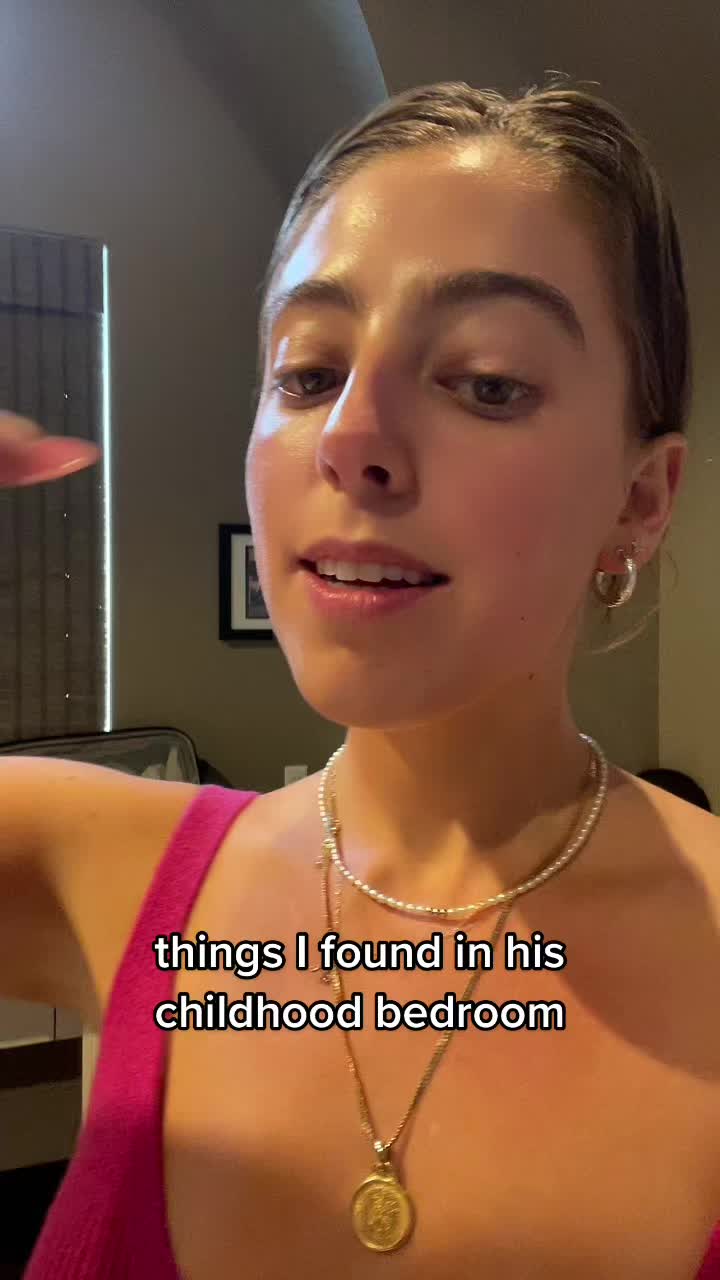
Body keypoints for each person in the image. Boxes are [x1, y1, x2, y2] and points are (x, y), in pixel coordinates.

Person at [0, 79, 718, 1279]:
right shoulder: (84, 860)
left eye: (488, 381)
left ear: (640, 499)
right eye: (307, 371)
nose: (348, 435)